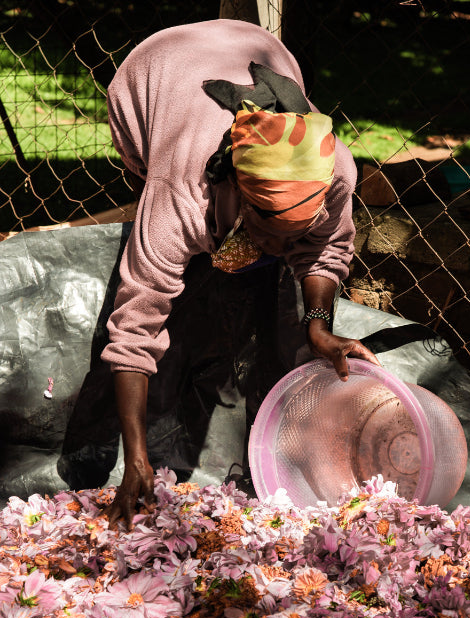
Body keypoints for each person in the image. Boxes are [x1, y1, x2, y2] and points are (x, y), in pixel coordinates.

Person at [102, 18, 380, 529]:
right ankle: (208, 234)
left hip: (261, 49)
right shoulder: (182, 191)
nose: (284, 247)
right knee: (171, 250)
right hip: (153, 69)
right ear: (235, 189)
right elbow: (135, 323)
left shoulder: (334, 168)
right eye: (270, 230)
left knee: (266, 257)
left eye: (299, 228)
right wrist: (136, 457)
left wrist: (317, 326)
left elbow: (325, 248)